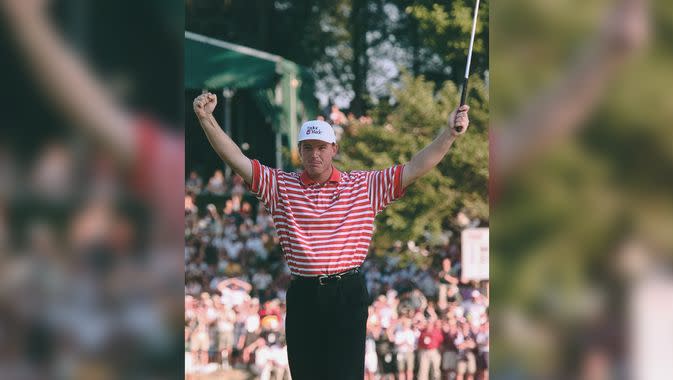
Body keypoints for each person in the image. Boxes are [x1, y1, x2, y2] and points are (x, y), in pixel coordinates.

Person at [192, 91, 470, 380]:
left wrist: (448, 134)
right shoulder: (280, 186)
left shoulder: (363, 186)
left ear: (333, 149)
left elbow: (415, 167)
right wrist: (206, 118)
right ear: (300, 150)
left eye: (321, 147)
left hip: (346, 293)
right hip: (304, 294)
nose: (315, 154)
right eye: (308, 147)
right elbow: (237, 159)